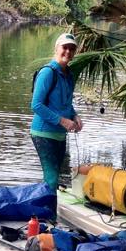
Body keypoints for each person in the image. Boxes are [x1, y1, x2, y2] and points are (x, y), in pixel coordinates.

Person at [30, 32, 83, 194]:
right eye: (65, 47)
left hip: (60, 134)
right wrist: (63, 121)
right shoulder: (48, 72)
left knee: (53, 177)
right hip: (43, 133)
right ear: (56, 48)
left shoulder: (69, 75)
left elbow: (66, 103)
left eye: (72, 49)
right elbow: (36, 105)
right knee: (52, 178)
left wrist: (75, 116)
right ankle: (48, 209)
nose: (68, 51)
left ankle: (45, 203)